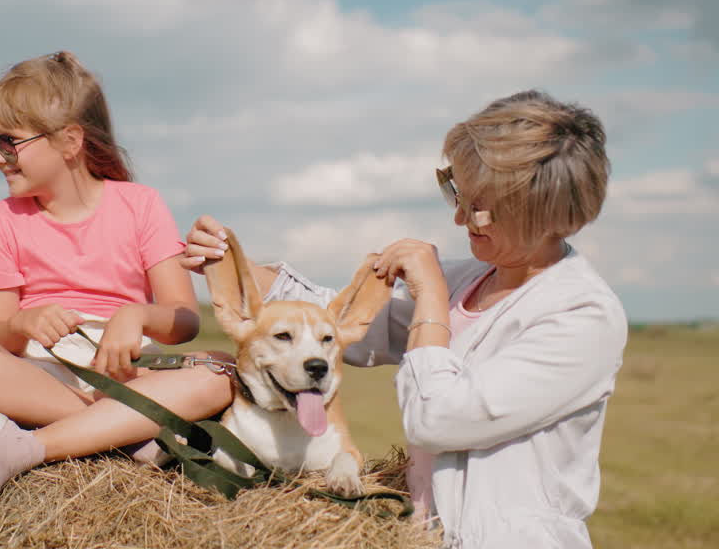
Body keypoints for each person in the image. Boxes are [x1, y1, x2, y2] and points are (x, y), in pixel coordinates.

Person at [184, 90, 626, 549]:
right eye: (456, 191)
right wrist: (234, 270)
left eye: (479, 205)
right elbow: (344, 324)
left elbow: (438, 419)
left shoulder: (583, 316)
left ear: (543, 214)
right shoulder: (471, 279)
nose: (459, 217)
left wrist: (431, 296)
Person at [0, 51, 234, 498]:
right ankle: (128, 428)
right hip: (41, 375)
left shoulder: (140, 204)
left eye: (9, 143)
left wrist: (137, 317)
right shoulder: (0, 220)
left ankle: (36, 446)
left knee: (223, 371)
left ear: (70, 141)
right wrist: (22, 324)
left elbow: (184, 320)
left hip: (130, 371)